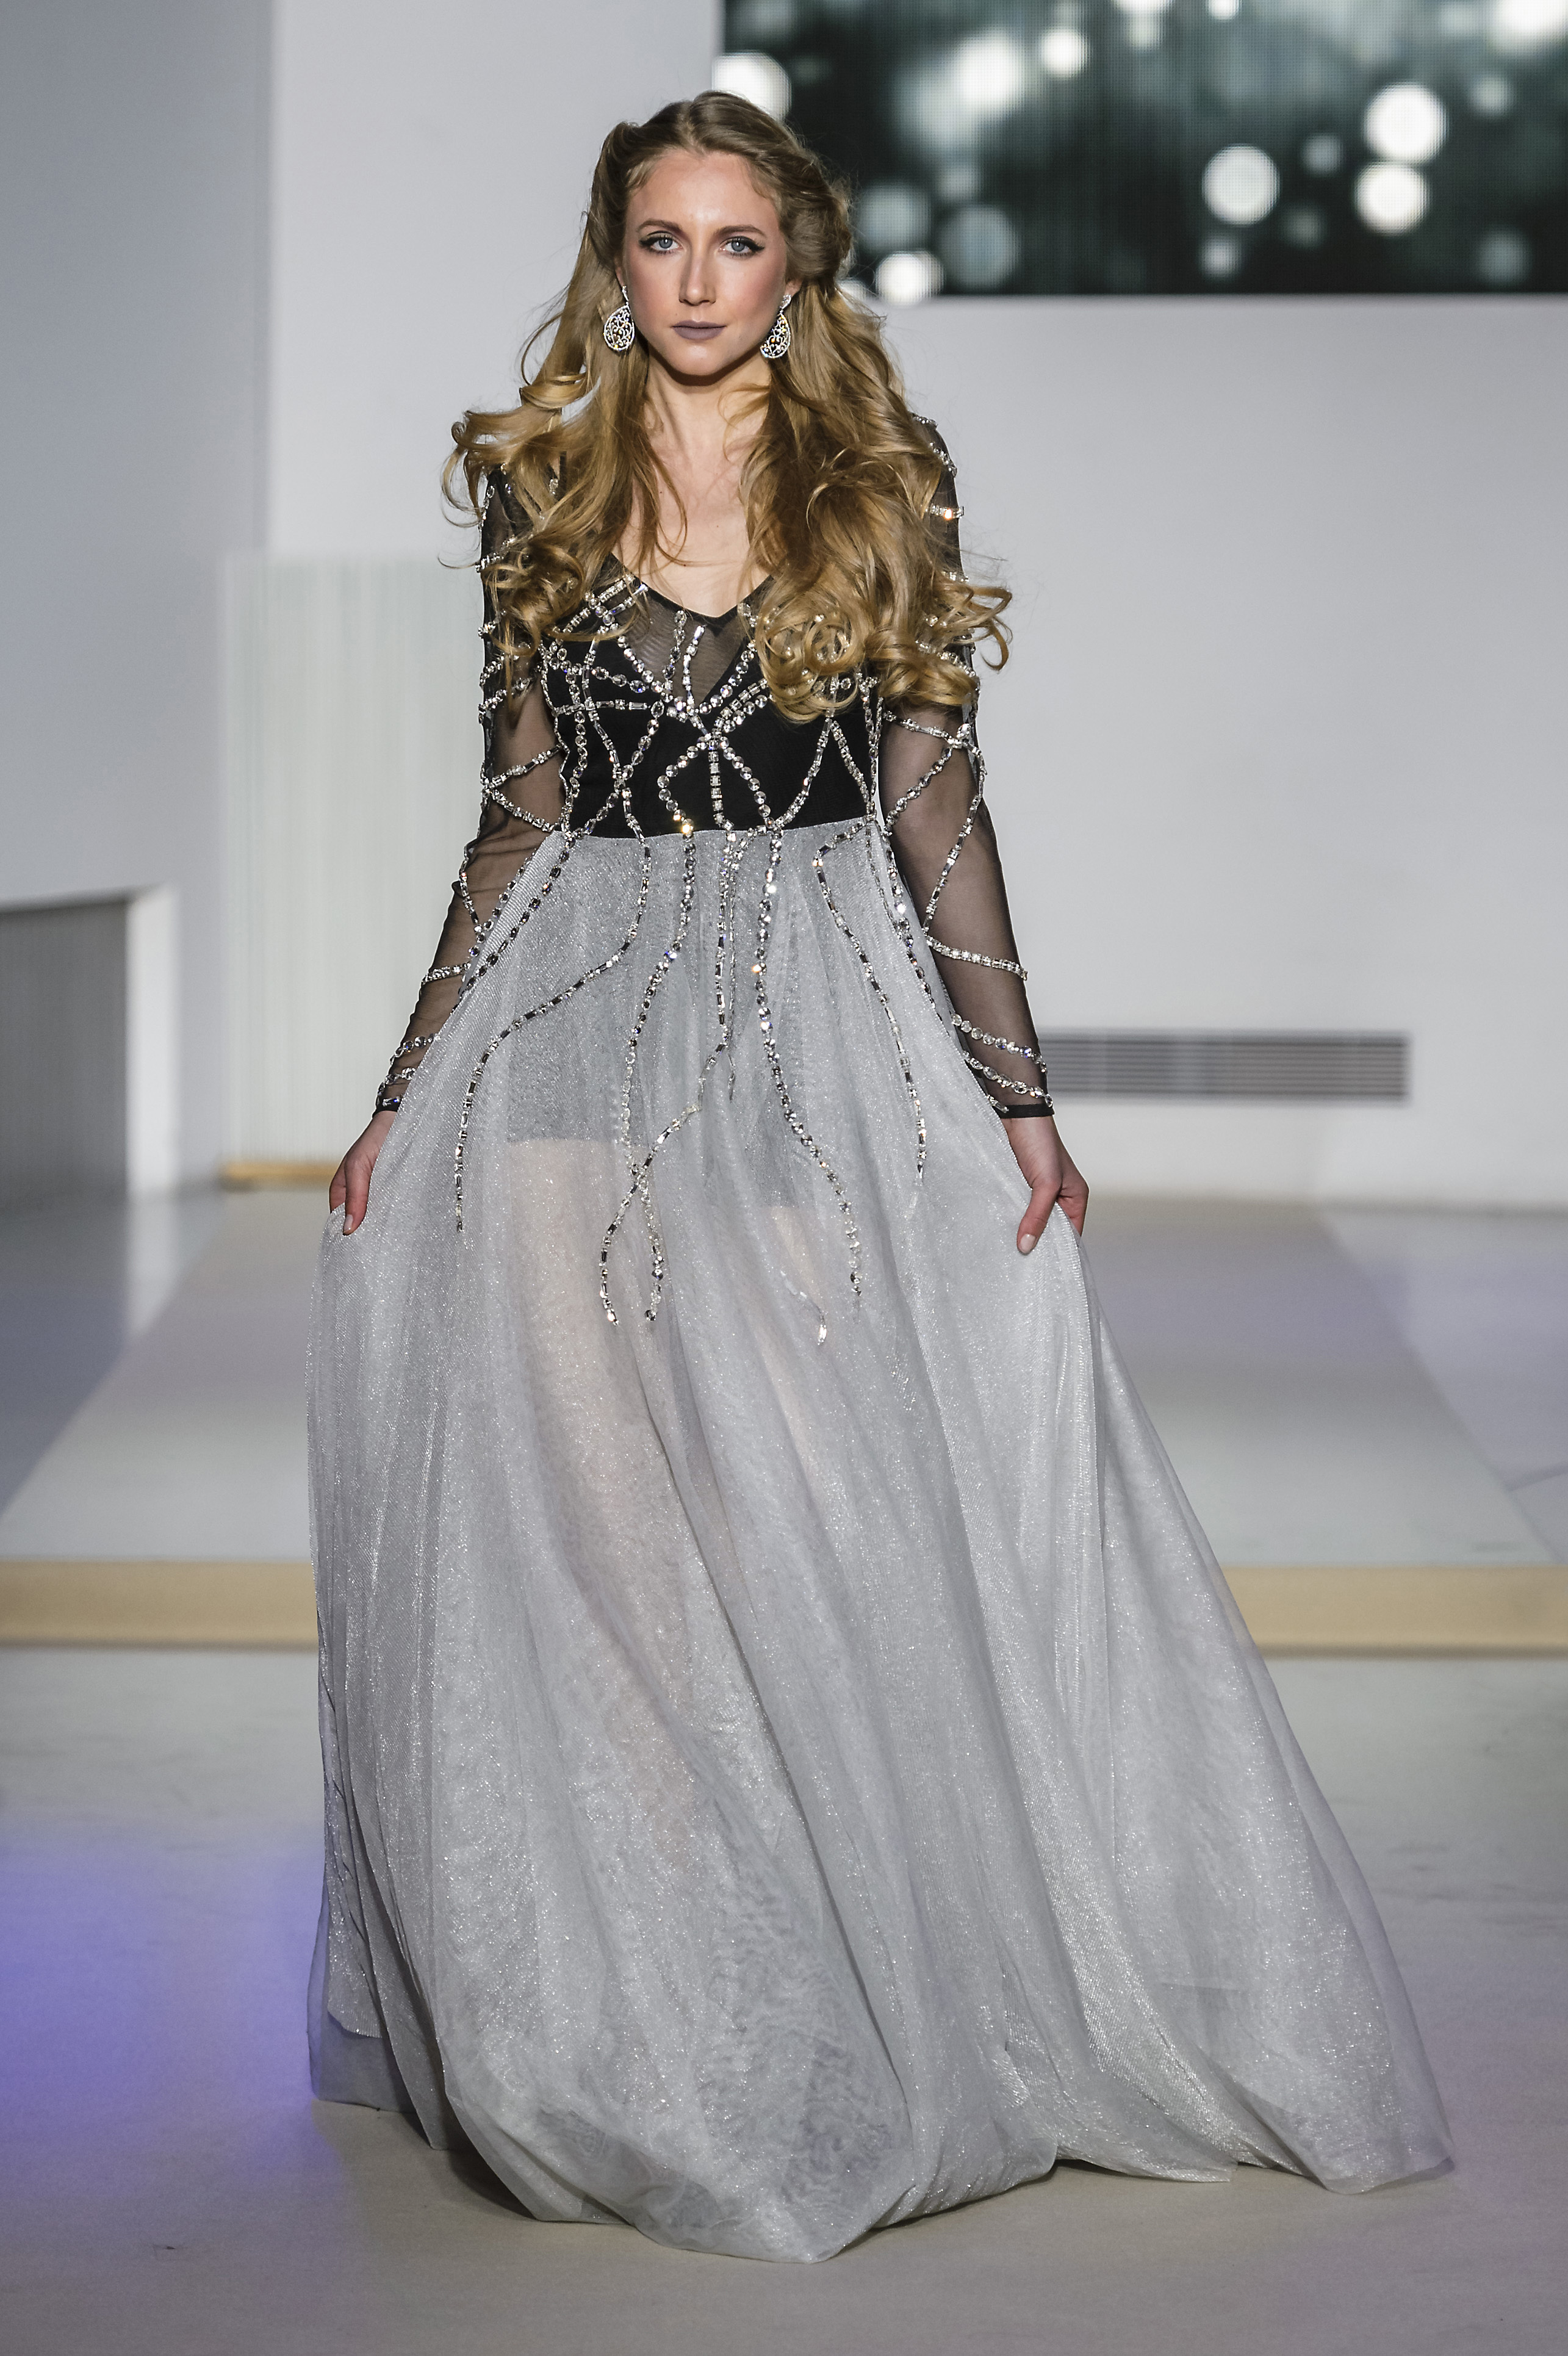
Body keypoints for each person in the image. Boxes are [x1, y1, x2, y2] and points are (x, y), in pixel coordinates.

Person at [310, 92, 1450, 2261]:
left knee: (804, 1515)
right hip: (559, 1049)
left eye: (736, 242)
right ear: (615, 260)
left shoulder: (877, 481)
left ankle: (846, 1982)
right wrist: (403, 1084)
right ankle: (645, 2006)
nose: (697, 280)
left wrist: (1019, 1100)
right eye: (662, 240)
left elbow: (937, 809)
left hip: (805, 1052)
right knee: (598, 1552)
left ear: (796, 266)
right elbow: (522, 802)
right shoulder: (545, 484)